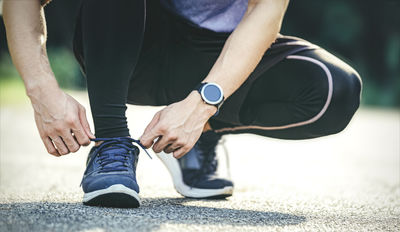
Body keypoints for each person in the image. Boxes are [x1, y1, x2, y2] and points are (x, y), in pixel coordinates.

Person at [3, 0, 362, 208]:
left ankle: (192, 137)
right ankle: (111, 141)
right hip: (132, 43)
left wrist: (201, 108)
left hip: (223, 54)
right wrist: (42, 92)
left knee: (335, 90)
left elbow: (265, 14)